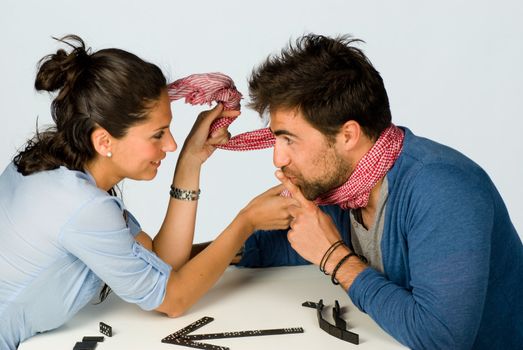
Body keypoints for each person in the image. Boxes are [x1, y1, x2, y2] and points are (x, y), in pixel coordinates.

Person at [0, 35, 295, 350]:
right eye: (157, 134)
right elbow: (173, 299)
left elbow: (161, 260)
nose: (169, 144)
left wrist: (190, 162)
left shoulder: (47, 170)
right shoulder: (82, 206)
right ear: (104, 142)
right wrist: (246, 222)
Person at [235, 34, 523, 349]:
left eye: (289, 139)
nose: (278, 158)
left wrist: (333, 256)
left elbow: (442, 339)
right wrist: (183, 263)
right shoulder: (343, 187)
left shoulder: (444, 189)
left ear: (347, 135)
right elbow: (272, 248)